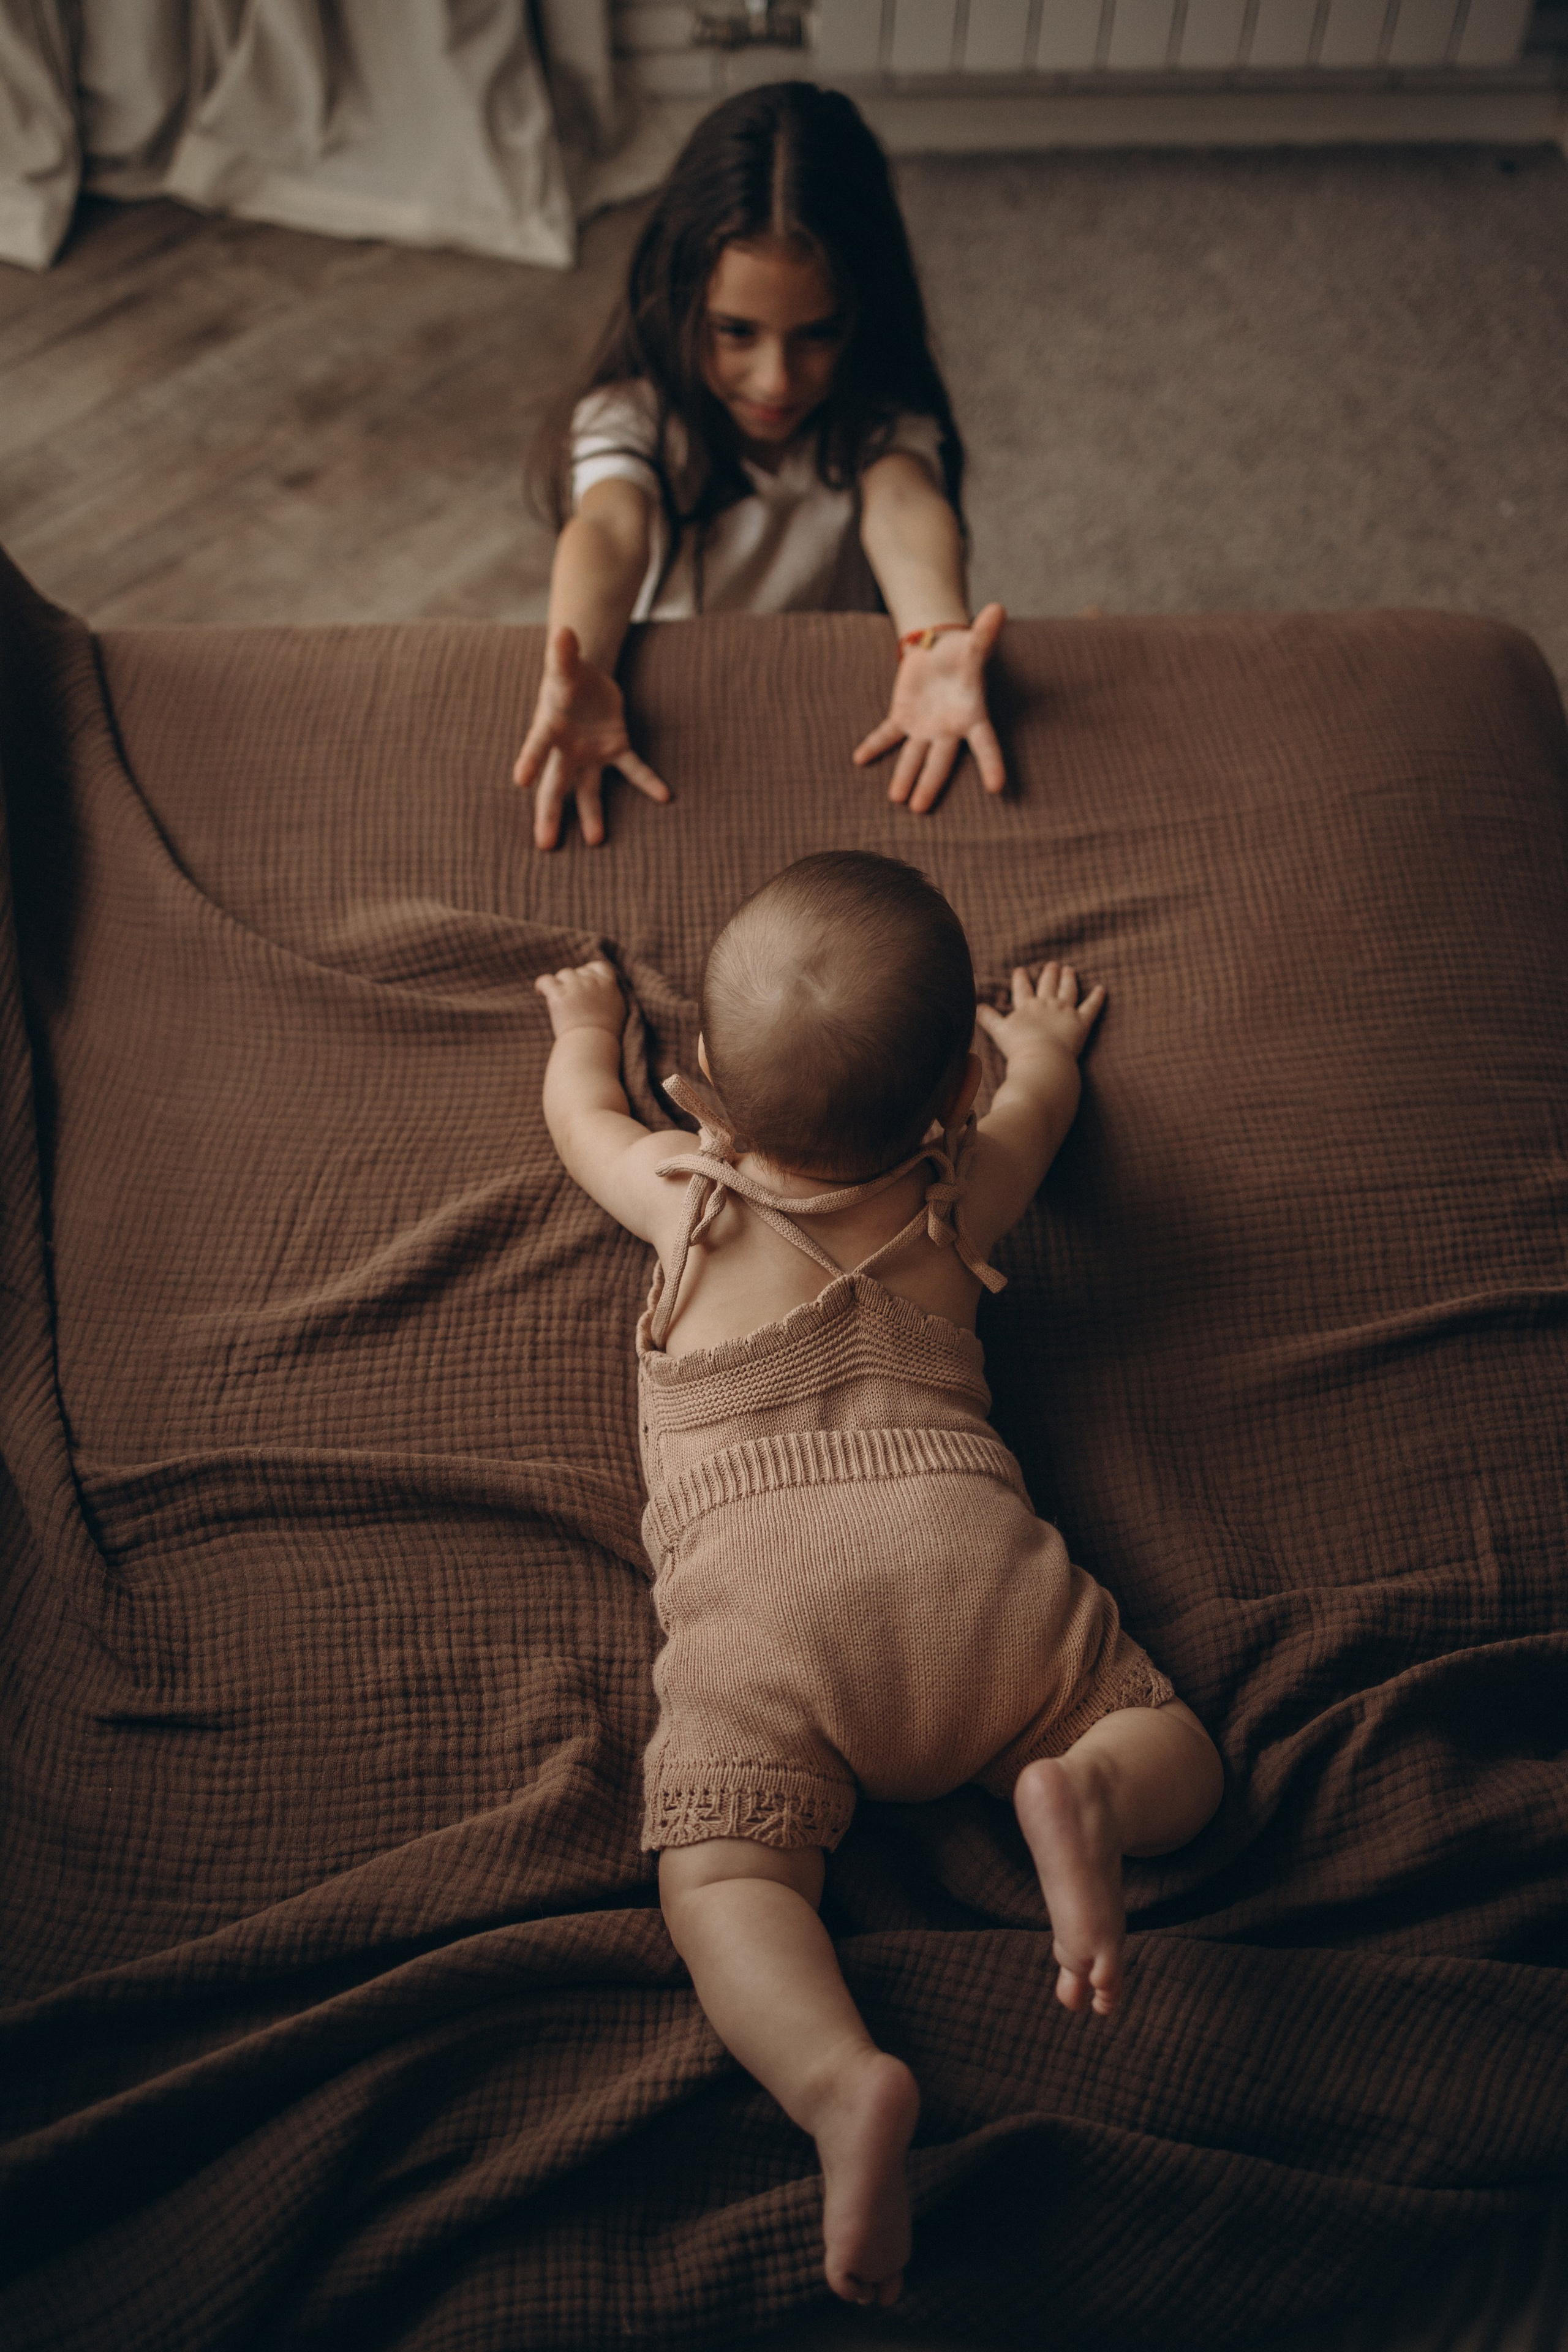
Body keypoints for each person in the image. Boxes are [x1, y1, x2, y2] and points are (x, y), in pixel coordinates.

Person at [534, 851, 1226, 2306]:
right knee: (1174, 1749)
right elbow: (1042, 1107)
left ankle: (838, 2081)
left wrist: (584, 1035)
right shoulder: (952, 1191)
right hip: (967, 1567)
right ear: (947, 1098)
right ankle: (1086, 1788)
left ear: (704, 1092)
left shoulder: (682, 1193)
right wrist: (1035, 1046)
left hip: (764, 1614)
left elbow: (581, 1123)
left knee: (722, 1869)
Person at [515, 83, 1007, 850]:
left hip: (829, 683)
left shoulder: (877, 411)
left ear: (865, 314)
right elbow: (610, 527)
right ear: (674, 298)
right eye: (734, 331)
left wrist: (937, 638)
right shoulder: (632, 413)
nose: (776, 380)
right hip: (676, 696)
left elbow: (905, 508)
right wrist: (582, 658)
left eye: (817, 333)